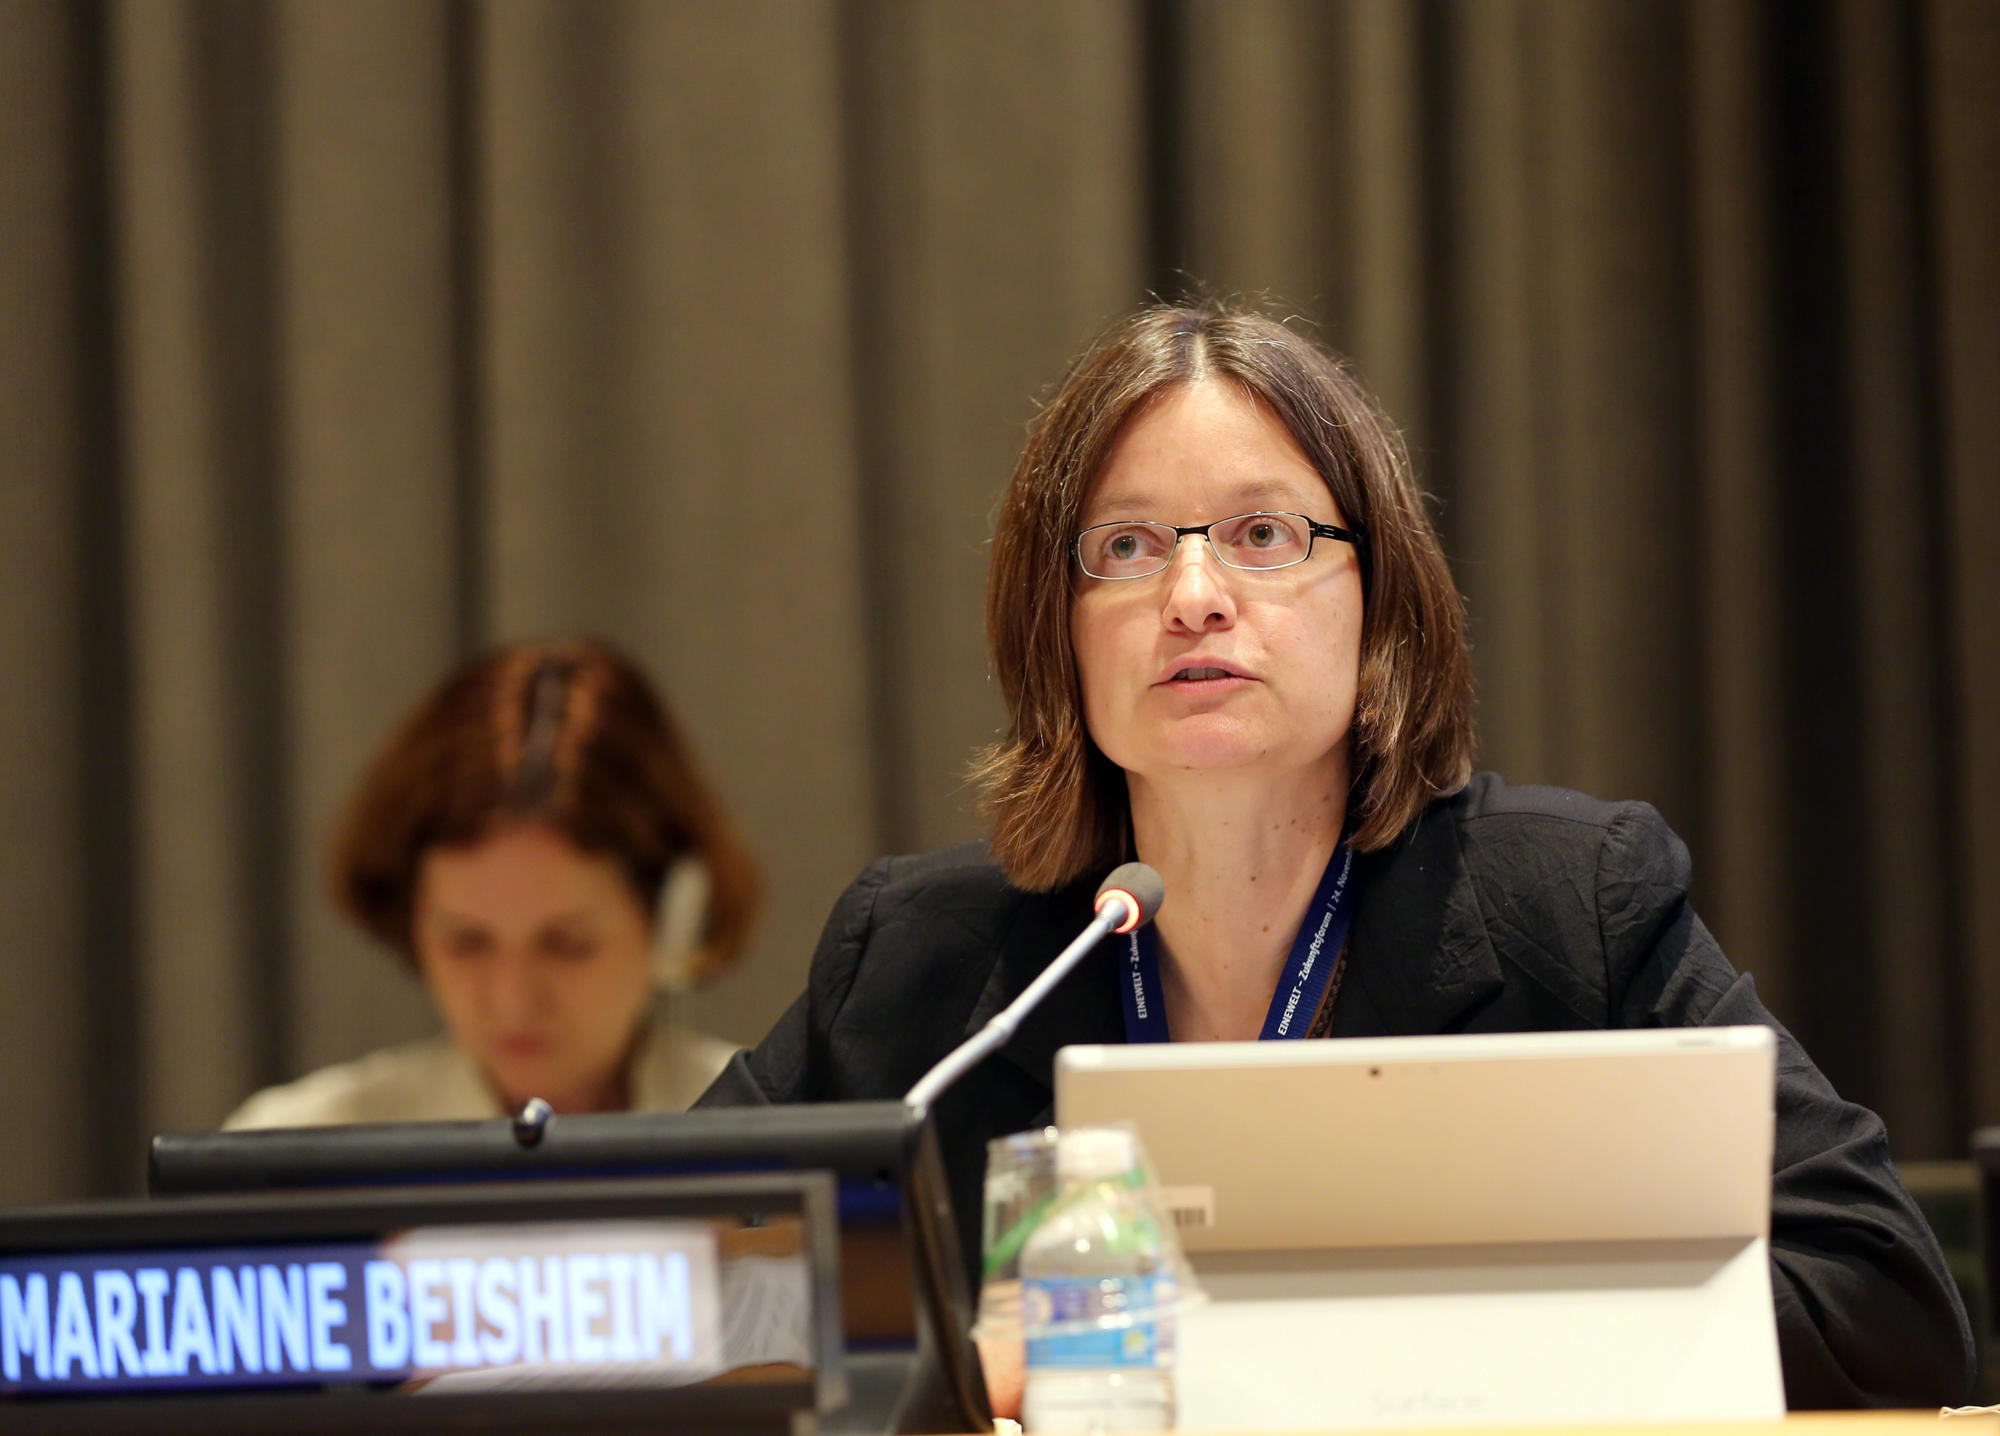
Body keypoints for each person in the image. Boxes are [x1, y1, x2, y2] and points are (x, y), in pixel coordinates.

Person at [699, 300, 1975, 1407]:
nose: (1192, 594)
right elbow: (678, 1298)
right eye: (1127, 546)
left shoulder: (1566, 911)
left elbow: (1882, 1301)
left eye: (1263, 535)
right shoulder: (918, 964)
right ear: (1057, 633)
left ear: (1376, 608)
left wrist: (1301, 1346)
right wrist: (942, 1359)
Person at [228, 637, 759, 1128]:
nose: (513, 1001)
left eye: (568, 946)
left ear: (674, 918)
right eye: (466, 943)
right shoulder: (294, 1147)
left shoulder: (779, 1138)